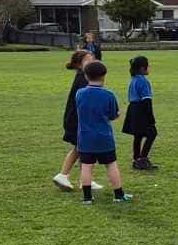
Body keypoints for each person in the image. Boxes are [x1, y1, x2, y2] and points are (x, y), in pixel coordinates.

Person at [74, 60, 133, 204]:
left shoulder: (79, 93)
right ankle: (118, 195)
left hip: (85, 137)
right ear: (104, 76)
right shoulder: (108, 95)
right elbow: (113, 115)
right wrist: (116, 115)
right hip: (104, 137)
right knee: (111, 165)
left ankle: (87, 197)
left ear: (86, 76)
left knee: (86, 166)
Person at [53, 49, 89, 190]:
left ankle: (84, 180)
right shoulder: (83, 79)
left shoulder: (81, 76)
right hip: (76, 120)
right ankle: (63, 175)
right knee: (79, 149)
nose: (92, 61)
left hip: (75, 119)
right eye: (88, 60)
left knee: (81, 149)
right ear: (79, 64)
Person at [123, 54, 157, 172]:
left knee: (138, 135)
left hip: (132, 109)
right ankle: (142, 159)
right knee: (152, 133)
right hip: (141, 109)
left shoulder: (133, 80)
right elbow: (146, 100)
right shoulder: (143, 81)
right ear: (143, 68)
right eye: (148, 66)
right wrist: (150, 118)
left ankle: (136, 159)